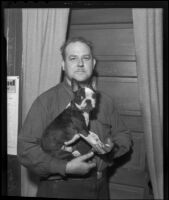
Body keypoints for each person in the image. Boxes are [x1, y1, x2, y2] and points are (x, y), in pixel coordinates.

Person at [17, 37, 132, 199]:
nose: (80, 63)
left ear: (93, 63)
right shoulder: (46, 101)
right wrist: (66, 167)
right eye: (73, 58)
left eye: (86, 58)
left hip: (100, 188)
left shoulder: (106, 101)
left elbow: (123, 135)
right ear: (63, 65)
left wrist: (111, 149)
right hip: (60, 188)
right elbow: (25, 149)